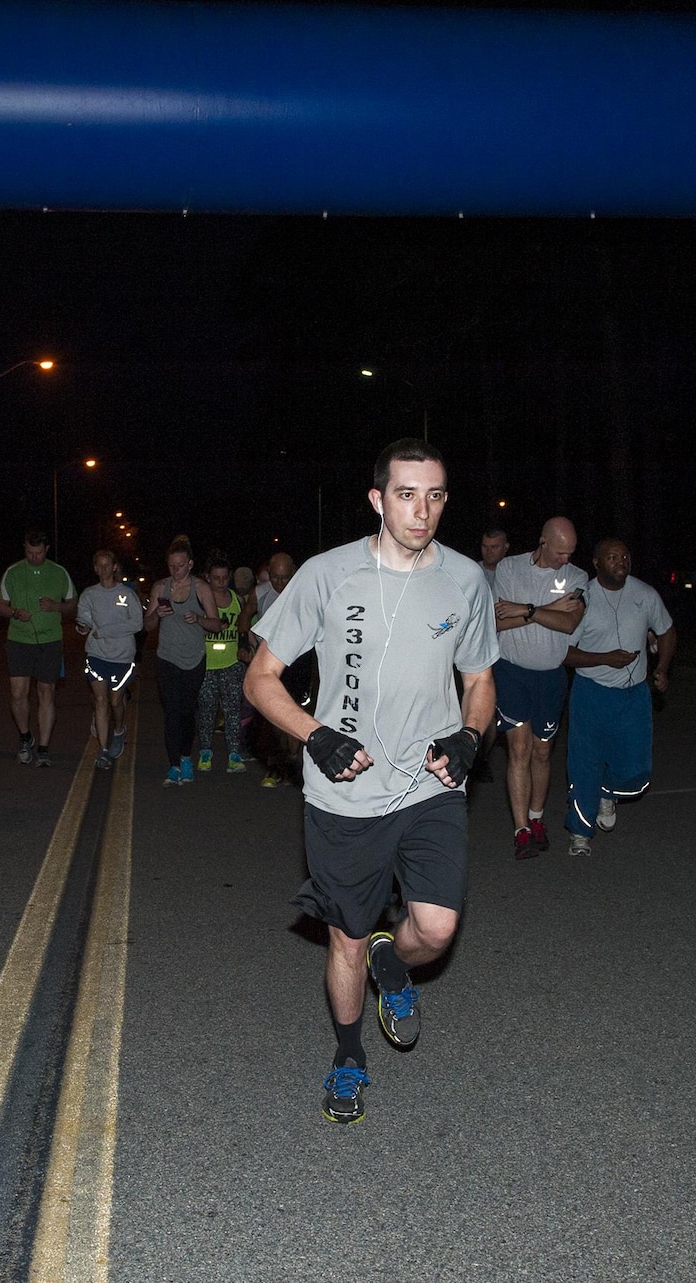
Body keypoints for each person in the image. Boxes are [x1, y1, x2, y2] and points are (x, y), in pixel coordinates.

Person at [246, 437, 498, 1125]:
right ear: (377, 498)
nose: (422, 510)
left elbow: (480, 681)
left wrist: (470, 736)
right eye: (407, 494)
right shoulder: (328, 575)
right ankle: (349, 1055)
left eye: (436, 495)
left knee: (437, 928)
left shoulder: (467, 580)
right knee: (346, 939)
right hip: (346, 791)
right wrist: (314, 735)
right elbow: (259, 678)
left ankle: (398, 954)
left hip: (430, 782)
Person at [561, 538, 675, 847]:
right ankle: (580, 833)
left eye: (625, 556)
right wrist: (604, 658)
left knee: (636, 770)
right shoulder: (582, 600)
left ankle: (606, 791)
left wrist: (662, 668)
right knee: (585, 764)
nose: (620, 561)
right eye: (612, 557)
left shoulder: (645, 594)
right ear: (596, 563)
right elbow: (563, 653)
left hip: (633, 694)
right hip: (591, 692)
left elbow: (666, 630)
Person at [490, 517, 588, 859]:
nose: (566, 558)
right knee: (519, 752)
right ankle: (520, 830)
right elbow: (497, 621)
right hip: (512, 672)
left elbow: (568, 621)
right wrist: (542, 611)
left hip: (551, 676)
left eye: (571, 552)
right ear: (543, 542)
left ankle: (536, 819)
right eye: (561, 552)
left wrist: (527, 610)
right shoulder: (509, 568)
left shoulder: (576, 577)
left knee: (543, 751)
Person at [143, 536, 224, 787]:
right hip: (166, 657)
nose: (175, 570)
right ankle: (174, 765)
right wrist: (157, 613)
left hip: (193, 659)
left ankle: (187, 757)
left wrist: (199, 619)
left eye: (179, 565)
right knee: (171, 712)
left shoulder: (201, 588)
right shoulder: (160, 587)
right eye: (171, 565)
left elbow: (217, 625)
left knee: (187, 712)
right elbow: (146, 625)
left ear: (189, 564)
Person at [0, 529, 77, 767]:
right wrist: (13, 612)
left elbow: (72, 604)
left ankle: (43, 747)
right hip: (19, 640)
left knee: (46, 692)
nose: (34, 557)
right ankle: (24, 737)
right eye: (30, 552)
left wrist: (56, 607)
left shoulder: (59, 573)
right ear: (24, 548)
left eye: (38, 553)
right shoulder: (13, 572)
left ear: (47, 549)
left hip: (49, 641)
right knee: (18, 693)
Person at [78, 548, 144, 770]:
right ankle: (103, 750)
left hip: (122, 656)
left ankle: (119, 729)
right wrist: (82, 627)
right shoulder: (89, 594)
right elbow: (83, 622)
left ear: (114, 567)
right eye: (100, 565)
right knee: (100, 700)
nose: (104, 569)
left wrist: (106, 631)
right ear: (95, 568)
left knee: (116, 701)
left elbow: (137, 624)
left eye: (108, 565)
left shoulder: (126, 594)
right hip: (97, 654)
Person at [254, 551, 311, 790]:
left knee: (296, 712)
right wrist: (246, 641)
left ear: (293, 574)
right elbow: (245, 618)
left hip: (299, 663)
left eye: (284, 578)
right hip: (271, 663)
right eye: (275, 577)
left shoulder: (307, 593)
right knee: (274, 717)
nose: (279, 583)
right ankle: (275, 766)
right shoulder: (260, 593)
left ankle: (292, 761)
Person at [195, 553, 248, 774]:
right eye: (216, 578)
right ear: (208, 578)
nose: (220, 582)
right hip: (206, 664)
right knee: (206, 710)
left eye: (225, 578)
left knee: (232, 710)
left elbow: (245, 628)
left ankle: (234, 754)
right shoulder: (201, 601)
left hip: (232, 664)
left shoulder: (238, 600)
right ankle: (205, 751)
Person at [472, 526, 511, 783]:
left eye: (495, 547)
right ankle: (478, 758)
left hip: (507, 652)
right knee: (480, 708)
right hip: (477, 652)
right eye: (485, 546)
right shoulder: (473, 572)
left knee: (503, 710)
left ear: (506, 548)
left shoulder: (514, 575)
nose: (489, 552)